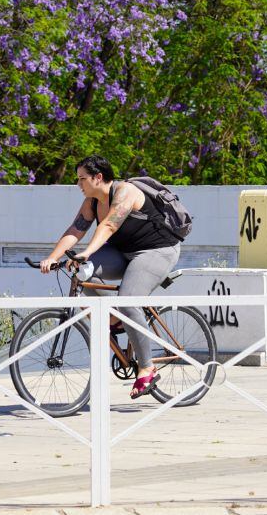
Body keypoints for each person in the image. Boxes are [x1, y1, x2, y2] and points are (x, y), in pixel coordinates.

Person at [40, 155, 181, 399]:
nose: (78, 184)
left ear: (98, 177)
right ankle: (116, 319)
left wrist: (87, 252)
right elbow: (75, 230)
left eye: (82, 179)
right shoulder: (91, 202)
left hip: (156, 251)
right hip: (123, 252)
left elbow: (109, 226)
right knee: (80, 271)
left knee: (128, 299)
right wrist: (52, 257)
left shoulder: (126, 192)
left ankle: (147, 367)